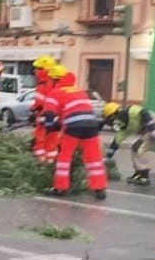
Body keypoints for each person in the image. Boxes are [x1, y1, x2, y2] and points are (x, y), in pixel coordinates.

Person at [42, 69, 107, 199]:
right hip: (91, 125)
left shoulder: (55, 93)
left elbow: (49, 114)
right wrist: (60, 123)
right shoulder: (80, 92)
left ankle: (60, 188)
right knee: (94, 158)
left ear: (56, 81)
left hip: (73, 126)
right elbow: (74, 110)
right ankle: (99, 189)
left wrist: (50, 128)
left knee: (64, 157)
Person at [102, 102, 155, 185]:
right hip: (150, 130)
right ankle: (139, 173)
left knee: (139, 148)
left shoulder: (131, 111)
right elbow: (115, 143)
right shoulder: (124, 128)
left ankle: (144, 177)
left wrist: (153, 130)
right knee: (135, 147)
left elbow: (144, 113)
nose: (111, 123)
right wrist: (107, 158)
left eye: (109, 119)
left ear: (113, 115)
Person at [28, 55, 57, 164]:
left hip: (44, 117)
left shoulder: (43, 83)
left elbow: (41, 102)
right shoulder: (54, 82)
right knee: (51, 143)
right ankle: (50, 164)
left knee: (40, 142)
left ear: (43, 70)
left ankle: (40, 164)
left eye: (37, 68)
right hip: (55, 118)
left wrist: (33, 111)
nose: (35, 71)